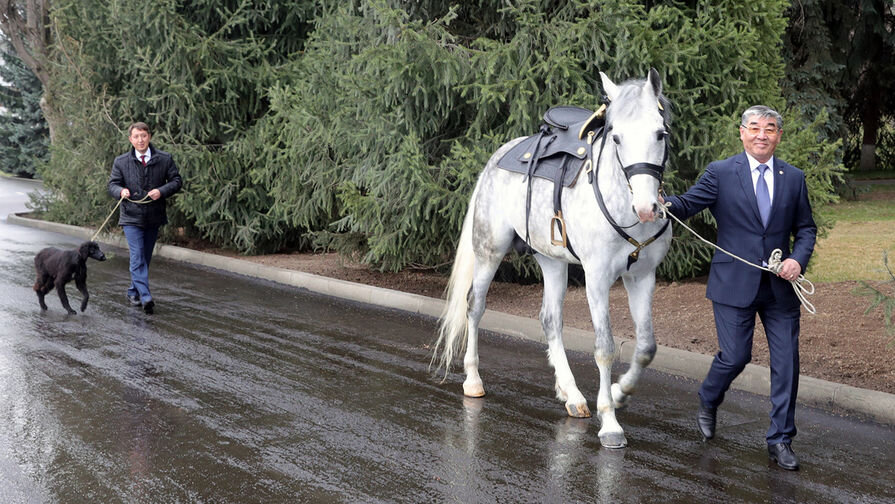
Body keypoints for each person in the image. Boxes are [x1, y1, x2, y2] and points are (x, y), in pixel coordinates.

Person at [660, 105, 816, 471]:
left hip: (780, 288)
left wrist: (797, 259)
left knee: (787, 364)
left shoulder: (793, 177)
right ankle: (709, 397)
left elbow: (806, 228)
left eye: (770, 128)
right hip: (733, 283)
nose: (762, 134)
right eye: (755, 127)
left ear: (779, 135)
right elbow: (687, 204)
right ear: (742, 132)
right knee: (735, 357)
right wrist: (660, 203)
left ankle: (780, 439)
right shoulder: (720, 173)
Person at [108, 122, 182, 315]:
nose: (140, 140)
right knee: (137, 254)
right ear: (130, 139)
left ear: (149, 136)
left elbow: (176, 181)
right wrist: (120, 191)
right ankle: (145, 296)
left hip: (153, 216)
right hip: (130, 216)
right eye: (136, 136)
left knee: (145, 256)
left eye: (143, 136)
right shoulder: (121, 161)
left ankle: (133, 291)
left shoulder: (164, 159)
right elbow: (112, 184)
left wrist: (161, 191)